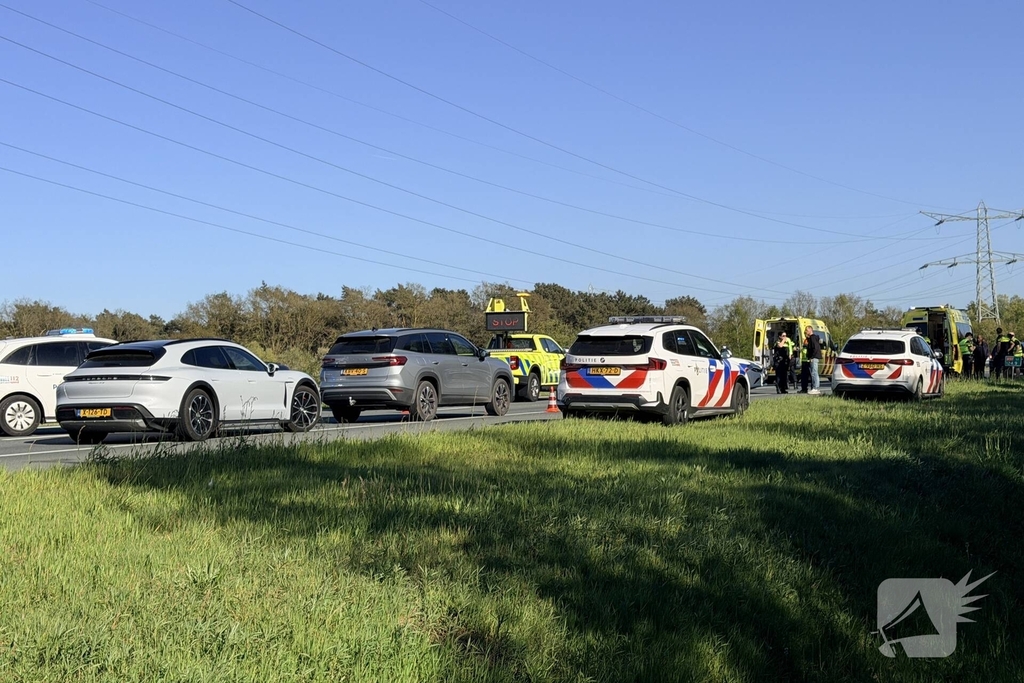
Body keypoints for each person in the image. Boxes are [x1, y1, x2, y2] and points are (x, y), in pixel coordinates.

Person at [801, 325, 822, 395]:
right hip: (814, 357)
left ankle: (815, 388)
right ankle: (815, 387)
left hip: (814, 357)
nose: (805, 331)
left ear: (810, 330)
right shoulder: (812, 338)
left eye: (807, 330)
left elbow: (815, 348)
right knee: (813, 372)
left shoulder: (813, 338)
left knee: (814, 373)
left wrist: (812, 357)